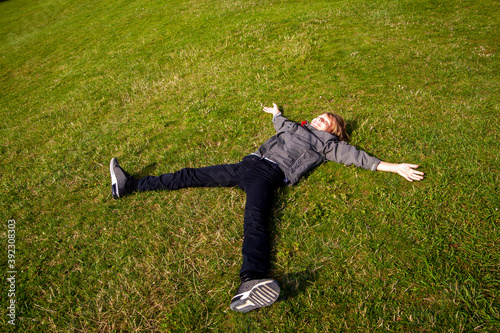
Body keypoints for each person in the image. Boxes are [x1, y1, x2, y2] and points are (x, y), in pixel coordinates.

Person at [109, 103, 424, 313]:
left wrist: (394, 167)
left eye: (327, 119)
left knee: (255, 221)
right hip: (247, 165)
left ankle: (251, 281)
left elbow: (359, 158)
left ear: (334, 130)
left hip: (268, 174)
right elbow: (282, 123)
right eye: (319, 114)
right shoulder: (295, 127)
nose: (319, 117)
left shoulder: (328, 145)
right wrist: (276, 112)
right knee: (190, 174)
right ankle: (129, 185)